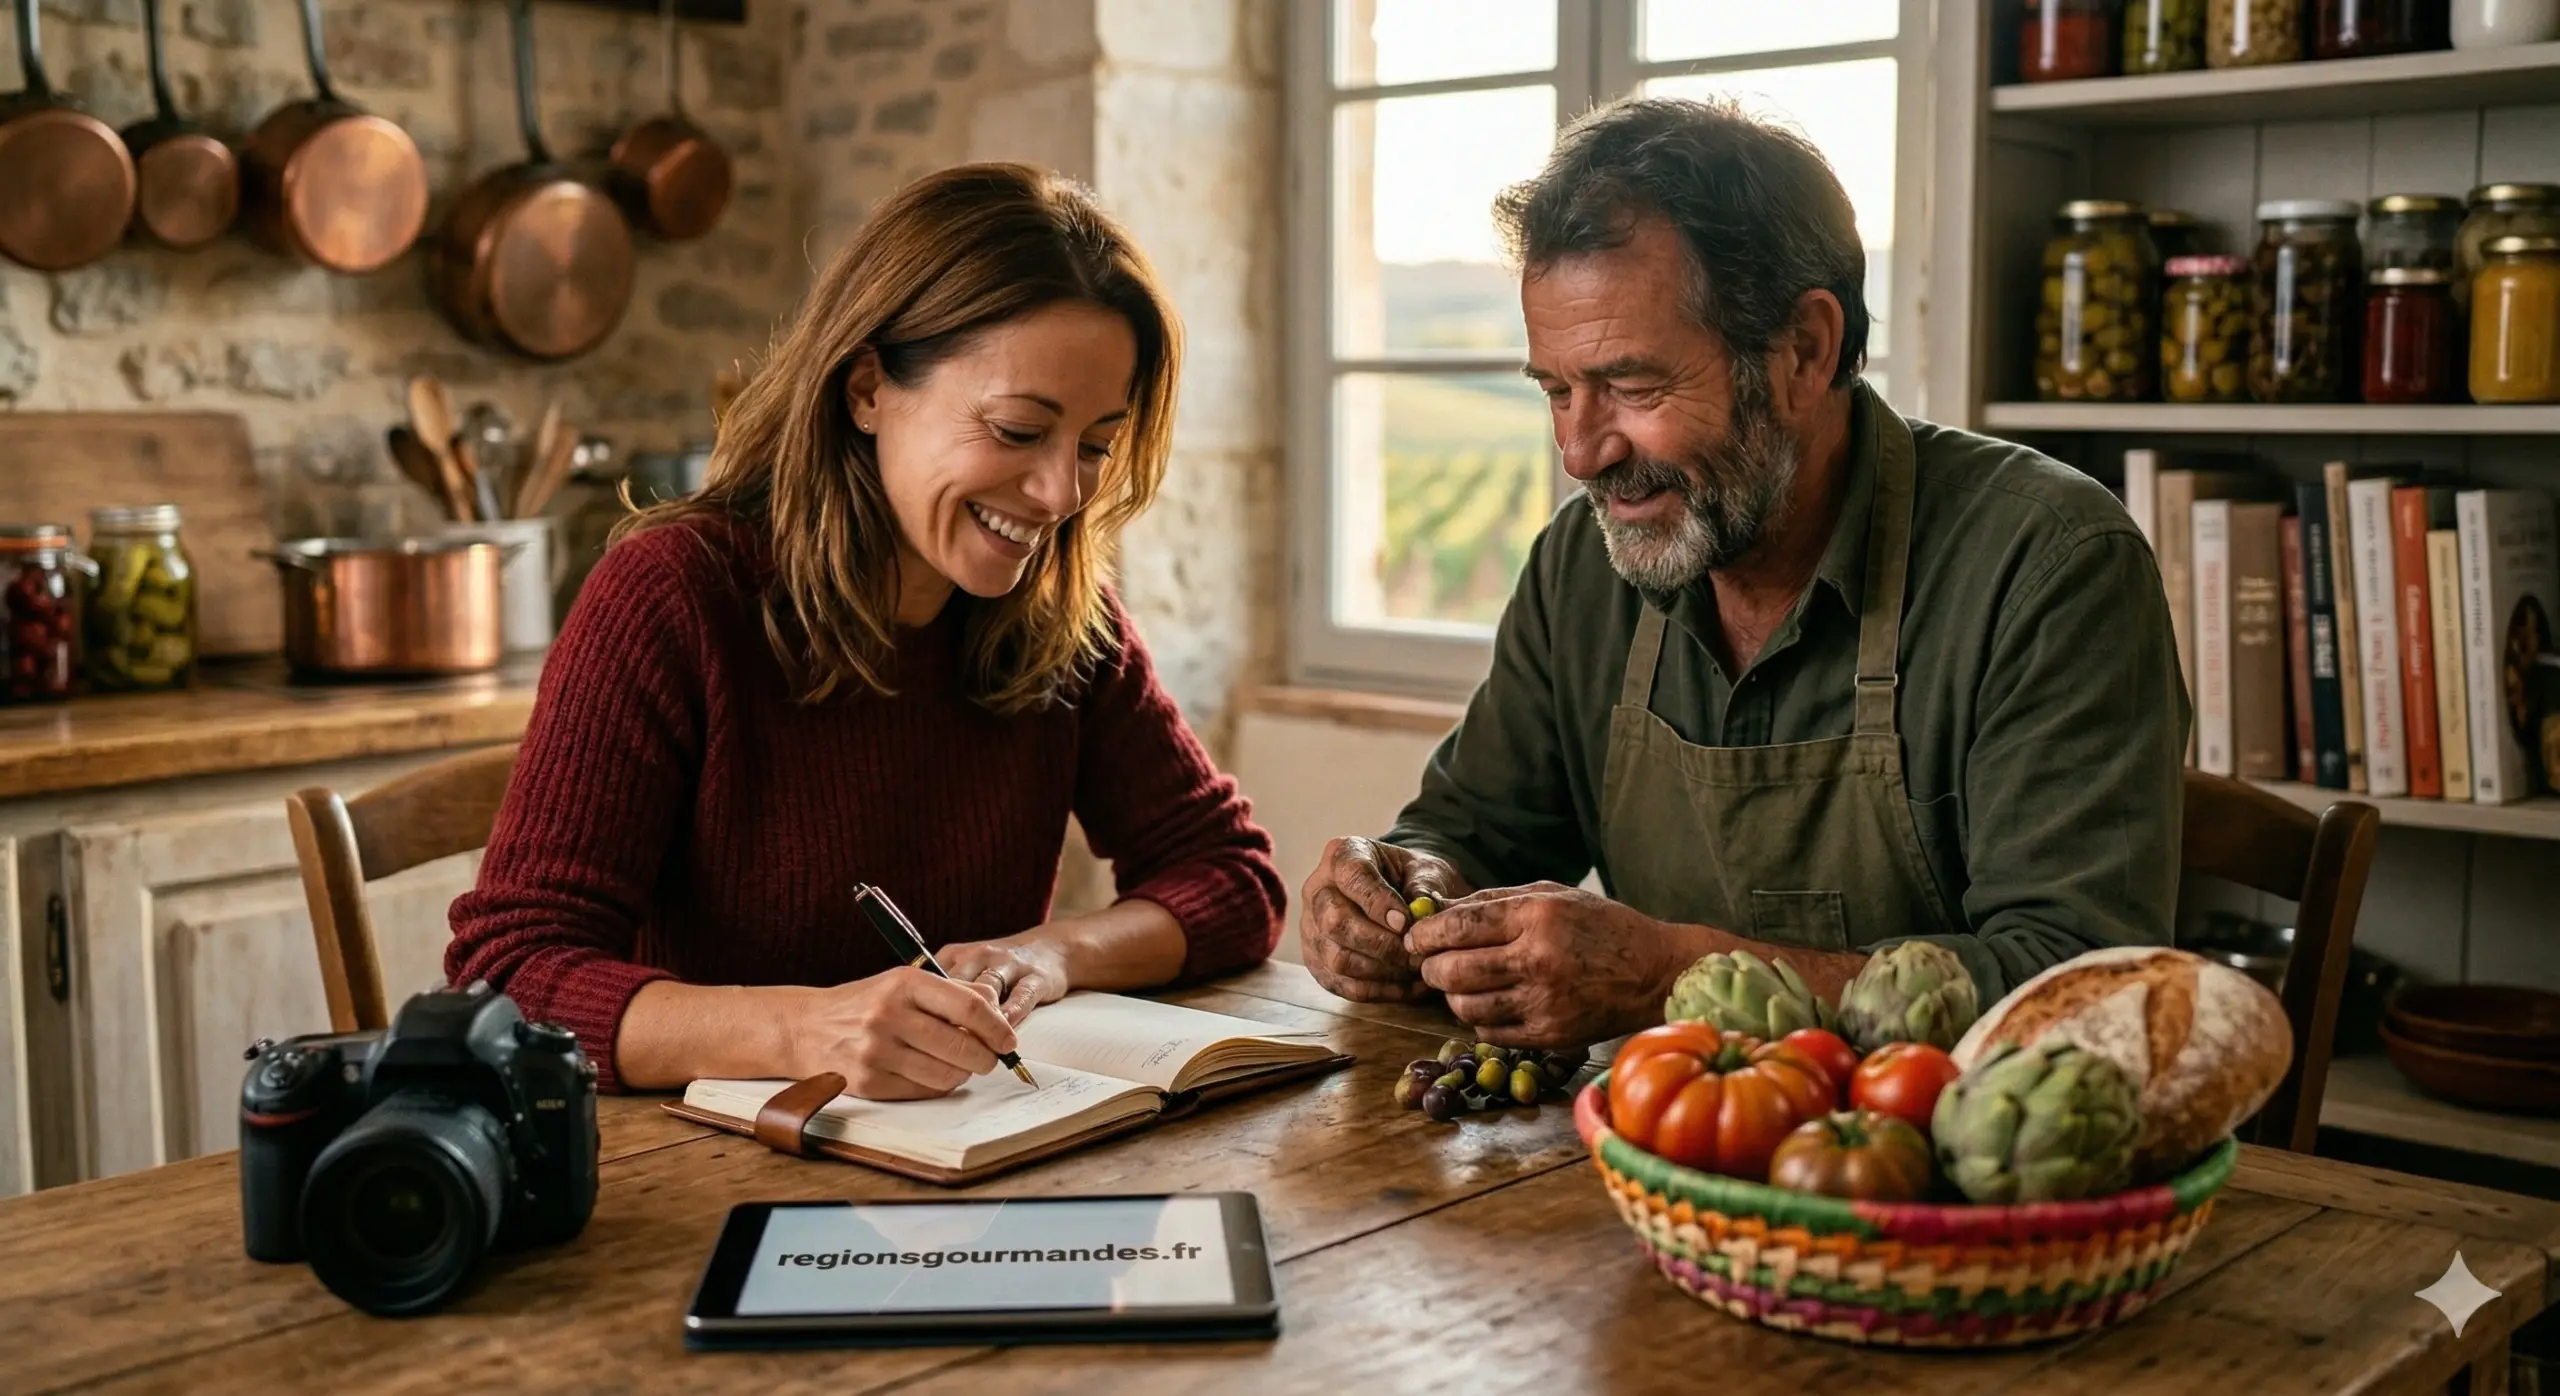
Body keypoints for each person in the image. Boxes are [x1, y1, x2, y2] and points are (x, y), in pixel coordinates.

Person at [1299, 98, 2184, 1048]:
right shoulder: (1581, 566)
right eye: (1557, 391)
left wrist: (1676, 980)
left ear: (1804, 350)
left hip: (1953, 1174)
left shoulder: (2047, 564)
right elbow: (1472, 832)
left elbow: (2085, 990)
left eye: (1635, 388)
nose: (1581, 453)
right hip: (1660, 1148)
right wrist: (1402, 887)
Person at [448, 163, 1285, 1099]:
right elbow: (509, 978)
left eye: (1095, 445)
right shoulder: (675, 596)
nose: (1062, 493)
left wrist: (1051, 954)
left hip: (962, 1164)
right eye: (1016, 430)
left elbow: (1231, 879)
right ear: (865, 390)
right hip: (692, 1170)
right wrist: (812, 1027)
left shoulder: (1062, 610)